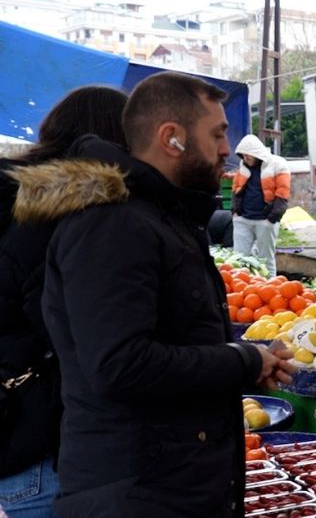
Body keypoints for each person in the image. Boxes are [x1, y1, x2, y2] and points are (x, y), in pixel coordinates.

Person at [38, 72, 295, 517]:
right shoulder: (114, 224)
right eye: (217, 134)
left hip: (166, 483)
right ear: (171, 138)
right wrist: (242, 360)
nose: (225, 149)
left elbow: (174, 340)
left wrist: (245, 357)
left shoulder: (161, 216)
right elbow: (120, 364)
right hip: (137, 492)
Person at [0, 86, 129, 518]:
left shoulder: (14, 200)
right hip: (46, 444)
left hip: (17, 433)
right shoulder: (56, 216)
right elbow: (74, 334)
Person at [230, 134, 291, 276]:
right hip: (243, 220)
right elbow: (236, 188)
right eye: (243, 155)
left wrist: (272, 219)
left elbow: (283, 193)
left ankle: (271, 290)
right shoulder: (243, 166)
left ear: (256, 152)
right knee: (239, 260)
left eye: (248, 155)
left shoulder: (278, 164)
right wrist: (235, 212)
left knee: (266, 260)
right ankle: (243, 293)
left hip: (265, 221)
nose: (246, 158)